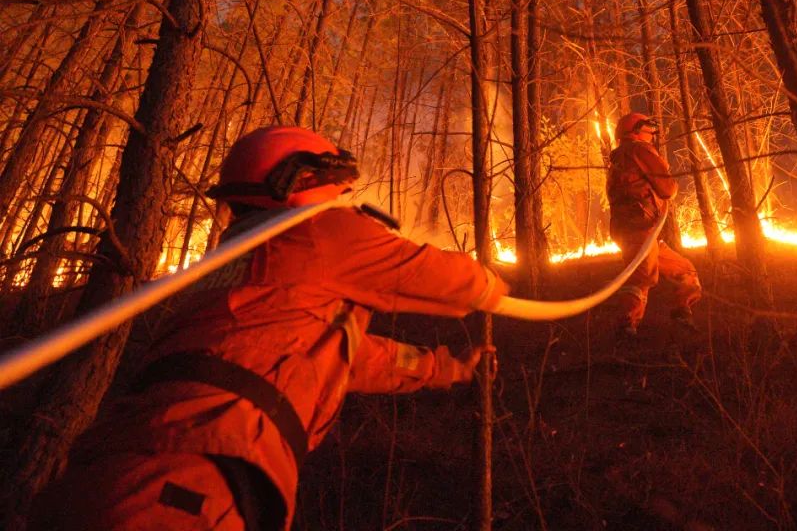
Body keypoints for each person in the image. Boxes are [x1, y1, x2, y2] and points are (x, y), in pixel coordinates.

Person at [38, 126, 508, 530]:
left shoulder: (234, 273)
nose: (341, 198)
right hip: (189, 486)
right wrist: (493, 284)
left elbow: (343, 354)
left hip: (91, 477)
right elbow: (448, 279)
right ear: (302, 180)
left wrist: (444, 368)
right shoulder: (324, 234)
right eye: (335, 186)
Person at [605, 113, 702, 335]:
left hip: (637, 230)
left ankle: (682, 313)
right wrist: (669, 181)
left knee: (684, 270)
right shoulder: (639, 150)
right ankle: (626, 328)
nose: (652, 134)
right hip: (640, 229)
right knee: (642, 277)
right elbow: (667, 189)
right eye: (648, 129)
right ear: (636, 131)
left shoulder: (619, 158)